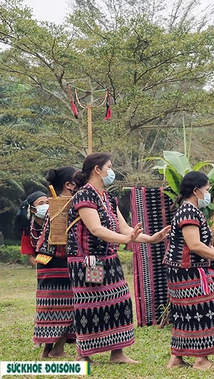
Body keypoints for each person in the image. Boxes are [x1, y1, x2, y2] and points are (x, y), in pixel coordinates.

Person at [66, 153, 170, 364]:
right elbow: (96, 229)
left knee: (120, 301)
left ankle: (117, 353)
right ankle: (82, 354)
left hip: (109, 259)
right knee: (90, 304)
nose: (111, 172)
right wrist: (125, 238)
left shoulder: (108, 198)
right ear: (97, 170)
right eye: (109, 167)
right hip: (88, 261)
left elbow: (124, 228)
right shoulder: (84, 196)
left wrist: (151, 238)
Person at [164, 171, 214, 370]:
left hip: (182, 269)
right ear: (196, 191)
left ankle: (176, 359)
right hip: (188, 270)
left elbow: (199, 245)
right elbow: (195, 245)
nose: (209, 194)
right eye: (207, 190)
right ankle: (201, 360)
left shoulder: (188, 210)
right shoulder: (189, 212)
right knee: (204, 309)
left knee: (185, 313)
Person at [32, 167, 78, 358]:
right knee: (68, 305)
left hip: (47, 261)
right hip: (59, 261)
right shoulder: (66, 205)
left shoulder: (54, 205)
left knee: (53, 306)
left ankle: (48, 350)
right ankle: (56, 350)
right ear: (69, 185)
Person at [16, 191, 49, 267]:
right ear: (32, 209)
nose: (46, 206)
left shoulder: (56, 224)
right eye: (41, 203)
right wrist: (41, 269)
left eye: (47, 203)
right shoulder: (27, 229)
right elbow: (31, 255)